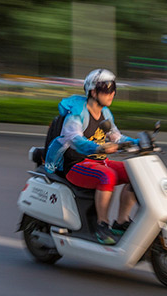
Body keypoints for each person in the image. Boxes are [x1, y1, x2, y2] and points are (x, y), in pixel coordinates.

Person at [44, 68, 138, 245]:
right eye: (106, 88)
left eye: (113, 88)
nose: (112, 93)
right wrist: (99, 147)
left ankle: (121, 221)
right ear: (93, 92)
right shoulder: (78, 113)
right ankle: (101, 225)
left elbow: (116, 135)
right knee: (107, 175)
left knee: (135, 173)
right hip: (75, 164)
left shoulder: (105, 113)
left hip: (98, 161)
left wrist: (138, 143)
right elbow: (75, 139)